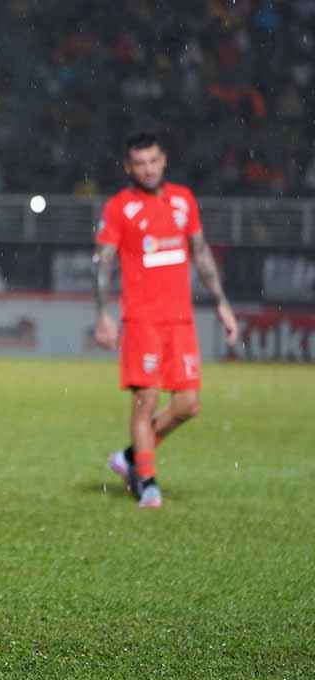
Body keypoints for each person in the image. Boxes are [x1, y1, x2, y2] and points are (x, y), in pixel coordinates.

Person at [92, 132, 239, 509]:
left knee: (189, 404)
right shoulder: (120, 208)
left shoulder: (183, 200)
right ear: (129, 167)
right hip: (142, 321)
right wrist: (102, 313)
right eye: (139, 163)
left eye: (153, 161)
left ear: (164, 160)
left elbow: (201, 254)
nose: (148, 169)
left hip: (180, 322)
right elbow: (103, 264)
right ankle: (148, 483)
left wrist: (221, 302)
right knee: (146, 400)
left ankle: (129, 458)